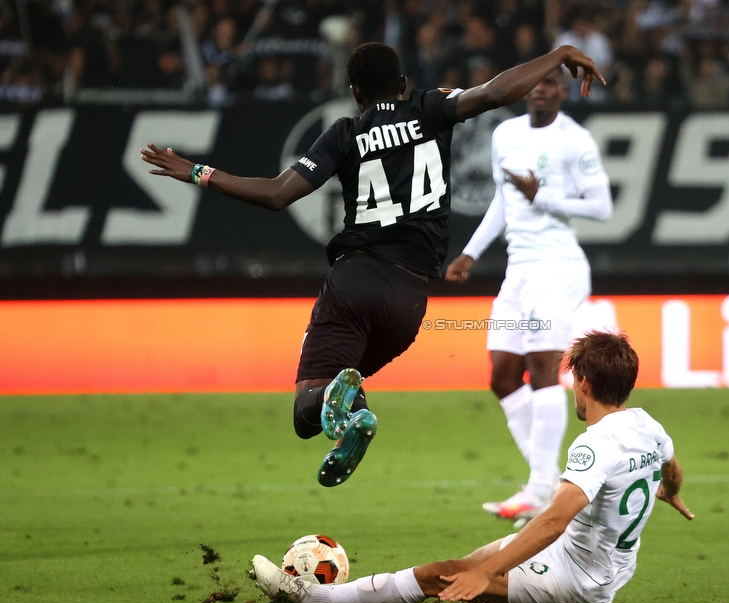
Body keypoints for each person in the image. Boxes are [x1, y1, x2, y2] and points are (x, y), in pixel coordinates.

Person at [141, 42, 605, 488]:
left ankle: (346, 410)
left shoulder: (343, 134)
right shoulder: (431, 108)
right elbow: (497, 91)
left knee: (308, 406)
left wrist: (198, 172)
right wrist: (558, 55)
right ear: (402, 83)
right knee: (342, 386)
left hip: (356, 281)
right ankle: (349, 409)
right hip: (409, 303)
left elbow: (277, 194)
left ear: (355, 93)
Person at [252, 331, 694, 603]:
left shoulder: (593, 443)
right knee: (469, 564)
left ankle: (307, 597)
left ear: (583, 383)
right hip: (602, 563)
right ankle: (488, 586)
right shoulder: (646, 425)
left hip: (578, 580)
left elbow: (555, 520)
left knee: (440, 575)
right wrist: (670, 492)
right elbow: (671, 467)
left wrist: (486, 575)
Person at [444, 67, 613, 527]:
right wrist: (471, 252)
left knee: (541, 367)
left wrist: (545, 198)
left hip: (558, 267)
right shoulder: (506, 133)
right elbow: (503, 199)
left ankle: (540, 489)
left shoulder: (575, 140)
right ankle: (547, 483)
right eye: (535, 84)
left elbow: (602, 206)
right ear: (524, 92)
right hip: (519, 271)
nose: (541, 90)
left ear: (560, 93)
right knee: (501, 374)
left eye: (551, 84)